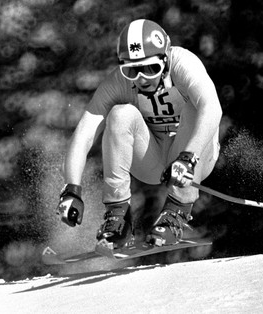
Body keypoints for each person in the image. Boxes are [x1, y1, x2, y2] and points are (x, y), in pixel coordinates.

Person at [56, 19, 222, 248]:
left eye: (151, 68)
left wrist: (188, 157)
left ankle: (177, 211)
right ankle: (118, 217)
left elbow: (213, 108)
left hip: (195, 159)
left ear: (165, 60)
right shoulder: (119, 81)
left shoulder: (184, 63)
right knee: (120, 114)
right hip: (153, 159)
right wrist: (71, 189)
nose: (142, 77)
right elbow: (85, 133)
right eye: (132, 70)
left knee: (196, 106)